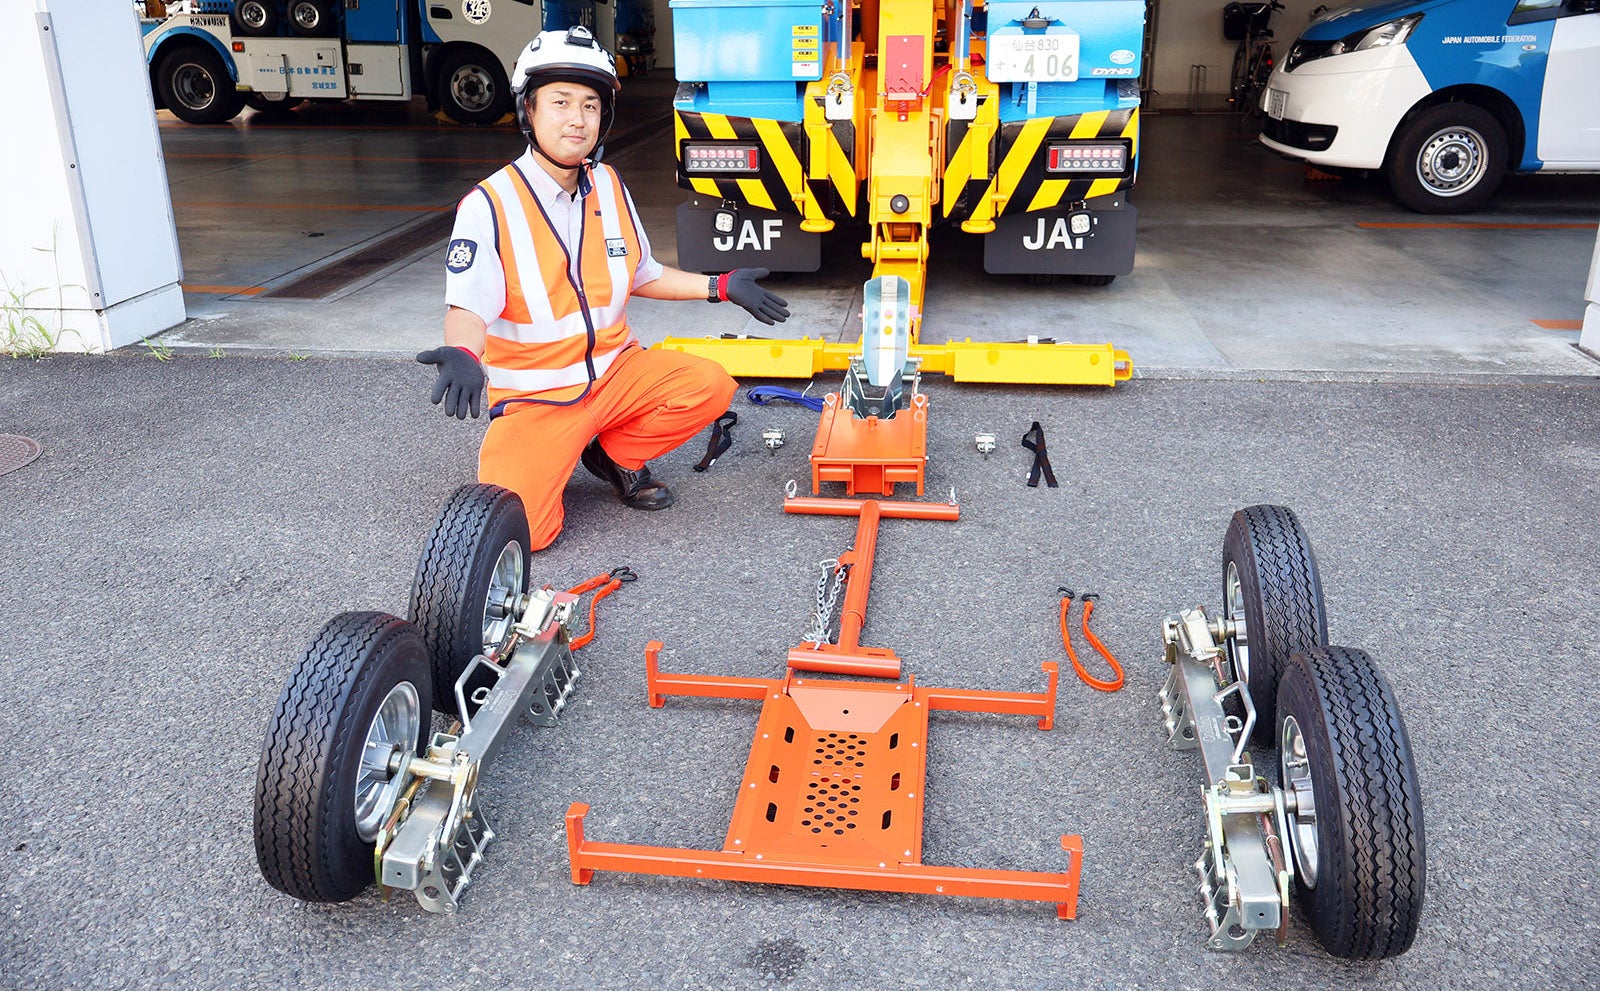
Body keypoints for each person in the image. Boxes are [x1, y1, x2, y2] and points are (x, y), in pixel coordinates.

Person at [417, 25, 789, 551]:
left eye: (590, 105)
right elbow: (469, 306)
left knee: (708, 384)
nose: (577, 119)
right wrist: (460, 351)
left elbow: (644, 274)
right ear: (528, 110)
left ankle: (615, 456)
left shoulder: (609, 185)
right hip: (539, 396)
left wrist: (722, 286)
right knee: (525, 535)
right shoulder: (489, 204)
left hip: (616, 374)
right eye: (561, 102)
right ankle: (559, 449)